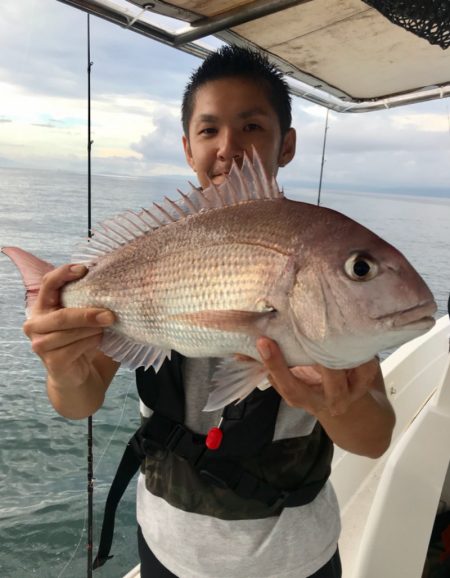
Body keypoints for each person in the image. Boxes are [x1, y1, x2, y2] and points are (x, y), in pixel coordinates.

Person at [23, 45, 395, 578]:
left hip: (299, 559)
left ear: (286, 145)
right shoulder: (155, 249)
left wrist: (336, 406)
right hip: (170, 553)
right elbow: (79, 402)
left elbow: (375, 436)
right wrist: (62, 368)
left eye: (251, 126)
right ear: (186, 146)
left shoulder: (322, 261)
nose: (229, 147)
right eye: (209, 130)